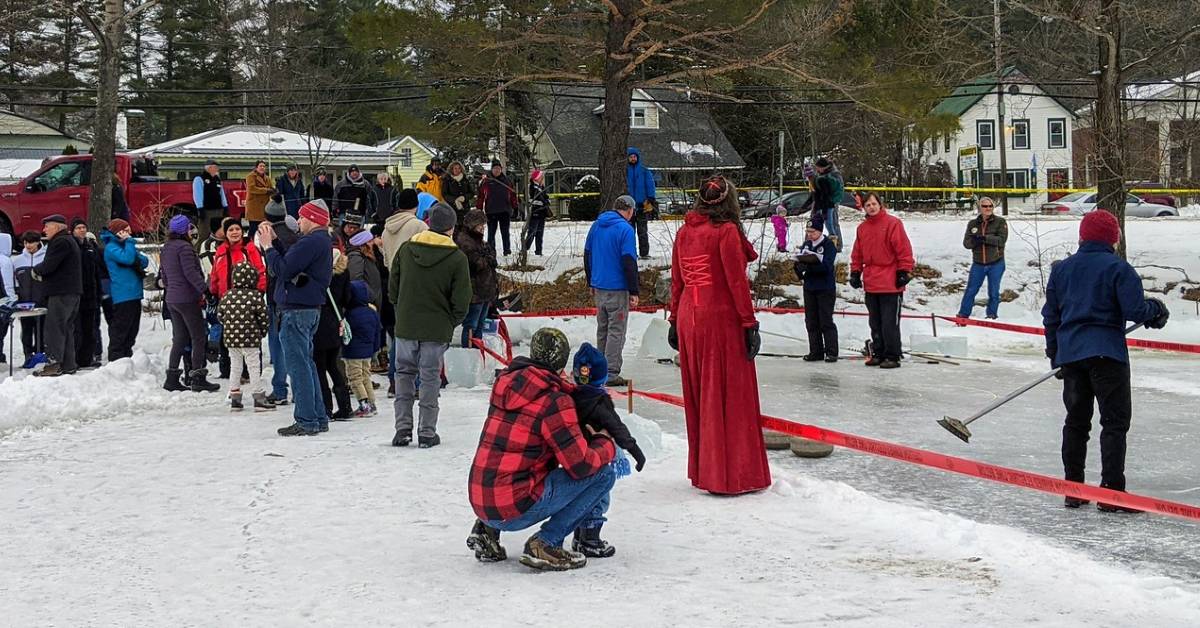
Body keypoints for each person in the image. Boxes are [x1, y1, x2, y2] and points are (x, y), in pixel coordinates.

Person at [1043, 210, 1170, 513]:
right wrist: (1156, 309)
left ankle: (1073, 489)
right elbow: (1135, 310)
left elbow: (1051, 317)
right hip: (1107, 356)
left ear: (1082, 236)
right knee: (1113, 423)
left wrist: (1055, 355)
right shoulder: (1118, 268)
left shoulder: (1062, 270)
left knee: (1076, 422)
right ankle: (1112, 492)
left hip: (1072, 355)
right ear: (1113, 238)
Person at [466, 327, 618, 570]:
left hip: (480, 498)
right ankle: (547, 542)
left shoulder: (506, 384)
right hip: (513, 507)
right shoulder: (554, 400)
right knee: (603, 474)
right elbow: (580, 465)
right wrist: (605, 443)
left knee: (509, 457)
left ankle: (486, 532)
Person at [667, 176, 770, 495]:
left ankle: (705, 470)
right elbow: (736, 284)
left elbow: (677, 279)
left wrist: (673, 319)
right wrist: (749, 323)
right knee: (729, 394)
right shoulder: (725, 233)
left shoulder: (685, 232)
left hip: (689, 316)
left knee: (701, 394)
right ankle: (732, 474)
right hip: (719, 317)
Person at [388, 203, 471, 448]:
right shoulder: (456, 258)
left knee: (403, 375)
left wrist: (402, 310)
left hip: (406, 325)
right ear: (451, 228)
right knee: (430, 379)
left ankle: (402, 429)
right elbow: (462, 300)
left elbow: (393, 288)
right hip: (436, 329)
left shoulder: (406, 250)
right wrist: (450, 322)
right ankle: (426, 431)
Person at [260, 199, 334, 436]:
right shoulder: (319, 241)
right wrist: (276, 244)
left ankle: (306, 419)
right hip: (309, 308)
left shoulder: (311, 241)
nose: (299, 221)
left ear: (313, 219)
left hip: (296, 309)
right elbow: (292, 262)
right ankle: (318, 416)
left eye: (302, 217)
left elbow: (283, 270)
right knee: (307, 363)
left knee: (298, 365)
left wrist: (268, 248)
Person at [567, 342, 647, 556]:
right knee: (600, 497)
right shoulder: (599, 402)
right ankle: (590, 540)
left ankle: (578, 536)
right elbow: (616, 427)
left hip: (575, 458)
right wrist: (635, 450)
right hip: (598, 458)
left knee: (580, 495)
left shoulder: (569, 398)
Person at [848, 192, 913, 369]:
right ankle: (878, 352)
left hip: (890, 281)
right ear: (864, 208)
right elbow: (857, 253)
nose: (871, 207)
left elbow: (903, 249)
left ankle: (892, 355)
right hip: (871, 281)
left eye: (874, 204)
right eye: (868, 205)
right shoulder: (862, 228)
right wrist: (855, 272)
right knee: (875, 321)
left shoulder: (893, 224)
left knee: (889, 322)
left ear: (880, 205)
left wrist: (904, 271)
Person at [160, 215, 221, 393]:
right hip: (187, 298)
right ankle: (198, 377)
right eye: (189, 228)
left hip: (172, 298)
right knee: (198, 337)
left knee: (179, 338)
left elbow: (164, 275)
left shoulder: (167, 247)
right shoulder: (185, 248)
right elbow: (191, 273)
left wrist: (170, 289)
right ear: (185, 230)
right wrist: (206, 291)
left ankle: (171, 377)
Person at [583, 194, 639, 387]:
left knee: (603, 329)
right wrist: (634, 290)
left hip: (599, 287)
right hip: (617, 287)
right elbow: (629, 261)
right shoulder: (625, 230)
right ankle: (611, 372)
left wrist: (591, 281)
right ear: (630, 210)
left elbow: (587, 254)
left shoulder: (597, 225)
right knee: (617, 330)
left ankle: (600, 368)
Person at [217, 262, 272, 412]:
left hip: (231, 338)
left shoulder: (227, 295)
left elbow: (220, 315)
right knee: (253, 366)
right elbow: (263, 317)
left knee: (235, 366)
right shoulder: (255, 296)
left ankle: (235, 397)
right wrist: (262, 331)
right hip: (250, 338)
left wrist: (229, 327)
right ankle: (258, 397)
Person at [31, 215, 81, 377]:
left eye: (47, 226)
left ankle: (53, 364)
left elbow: (50, 265)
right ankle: (68, 364)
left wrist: (36, 271)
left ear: (57, 227)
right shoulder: (69, 240)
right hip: (71, 292)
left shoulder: (60, 242)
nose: (44, 230)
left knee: (54, 328)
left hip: (61, 292)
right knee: (66, 328)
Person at [263, 196, 297, 406]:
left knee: (277, 344)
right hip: (296, 296)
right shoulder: (295, 233)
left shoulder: (270, 237)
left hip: (277, 295)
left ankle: (279, 388)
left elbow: (272, 268)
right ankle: (298, 387)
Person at [100, 218, 149, 362]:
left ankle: (127, 356)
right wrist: (129, 243)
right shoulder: (111, 248)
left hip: (134, 293)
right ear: (118, 232)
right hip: (123, 295)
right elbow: (127, 259)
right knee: (122, 327)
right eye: (126, 231)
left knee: (133, 328)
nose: (130, 233)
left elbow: (144, 261)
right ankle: (116, 357)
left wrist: (130, 247)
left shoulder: (126, 246)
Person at [315, 248, 354, 422]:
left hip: (320, 322)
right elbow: (347, 298)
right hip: (336, 321)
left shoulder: (319, 273)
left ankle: (325, 407)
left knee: (319, 368)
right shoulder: (343, 272)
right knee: (333, 365)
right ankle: (345, 406)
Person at [957, 196, 1009, 320]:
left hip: (996, 262)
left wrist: (984, 238)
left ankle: (991, 315)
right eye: (985, 206)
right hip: (978, 263)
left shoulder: (1000, 222)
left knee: (993, 291)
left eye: (990, 206)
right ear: (980, 208)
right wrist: (976, 241)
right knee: (971, 290)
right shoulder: (973, 224)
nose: (988, 208)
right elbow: (967, 243)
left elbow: (1001, 240)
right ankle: (963, 315)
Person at [794, 219, 839, 362]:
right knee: (811, 321)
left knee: (825, 320)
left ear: (820, 231)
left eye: (812, 232)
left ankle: (831, 351)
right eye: (808, 232)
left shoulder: (828, 245)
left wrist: (810, 267)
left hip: (825, 287)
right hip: (810, 287)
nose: (810, 235)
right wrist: (799, 269)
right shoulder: (807, 245)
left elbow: (826, 265)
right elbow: (801, 261)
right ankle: (816, 351)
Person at [455, 210, 498, 348]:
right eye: (480, 225)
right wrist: (487, 259)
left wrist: (489, 256)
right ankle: (468, 352)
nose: (483, 228)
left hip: (485, 291)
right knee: (471, 325)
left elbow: (489, 254)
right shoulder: (465, 241)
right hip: (475, 292)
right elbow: (474, 263)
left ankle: (477, 351)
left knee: (480, 324)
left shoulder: (478, 240)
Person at [342, 279, 383, 418]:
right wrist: (375, 349)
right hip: (367, 351)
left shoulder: (349, 314)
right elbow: (378, 332)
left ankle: (363, 403)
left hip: (353, 351)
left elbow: (346, 332)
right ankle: (372, 403)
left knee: (355, 378)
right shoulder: (372, 313)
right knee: (366, 376)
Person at [70, 219, 103, 369]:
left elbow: (97, 271)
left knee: (90, 328)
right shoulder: (72, 247)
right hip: (77, 293)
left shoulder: (90, 247)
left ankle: (87, 358)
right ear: (73, 230)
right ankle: (75, 358)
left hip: (92, 293)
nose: (82, 230)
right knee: (78, 329)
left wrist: (99, 292)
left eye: (84, 227)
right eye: (78, 228)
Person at [12, 231, 46, 368]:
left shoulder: (46, 257)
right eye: (25, 243)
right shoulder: (18, 260)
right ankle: (27, 355)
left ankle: (40, 354)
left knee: (41, 330)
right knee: (26, 331)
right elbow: (15, 282)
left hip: (42, 302)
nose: (28, 245)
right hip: (24, 303)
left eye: (31, 242)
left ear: (38, 242)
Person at [800, 157, 845, 250]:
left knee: (832, 223)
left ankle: (837, 245)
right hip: (820, 201)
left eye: (818, 168)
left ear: (823, 167)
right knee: (813, 221)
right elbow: (816, 190)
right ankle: (808, 243)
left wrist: (830, 203)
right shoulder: (820, 174)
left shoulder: (833, 174)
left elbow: (832, 190)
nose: (817, 170)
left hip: (831, 201)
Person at [476, 160, 518, 256]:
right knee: (491, 233)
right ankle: (491, 251)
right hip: (491, 211)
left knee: (505, 232)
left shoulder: (507, 181)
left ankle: (507, 250)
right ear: (492, 169)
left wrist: (515, 207)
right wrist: (479, 209)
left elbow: (512, 195)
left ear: (501, 169)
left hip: (504, 210)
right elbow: (481, 196)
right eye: (495, 168)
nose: (497, 170)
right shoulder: (486, 182)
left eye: (498, 169)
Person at [381, 189, 427, 268]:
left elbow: (386, 261)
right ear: (417, 205)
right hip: (413, 277)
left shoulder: (386, 230)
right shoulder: (420, 226)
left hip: (393, 277)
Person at [625, 147, 656, 259]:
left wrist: (651, 198)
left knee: (642, 231)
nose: (633, 159)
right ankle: (631, 253)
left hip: (642, 205)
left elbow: (650, 185)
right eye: (631, 157)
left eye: (634, 157)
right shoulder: (624, 172)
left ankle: (644, 253)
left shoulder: (644, 171)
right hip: (628, 207)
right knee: (629, 232)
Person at [192, 159, 229, 242]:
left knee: (219, 232)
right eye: (215, 167)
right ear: (209, 168)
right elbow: (197, 194)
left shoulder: (217, 179)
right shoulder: (199, 179)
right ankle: (198, 251)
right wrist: (200, 208)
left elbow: (221, 193)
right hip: (206, 210)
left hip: (218, 209)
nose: (217, 169)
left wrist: (225, 206)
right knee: (204, 233)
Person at [346, 230, 383, 311]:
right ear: (363, 244)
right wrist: (371, 297)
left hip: (370, 302)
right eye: (370, 241)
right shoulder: (356, 257)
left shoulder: (367, 257)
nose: (373, 243)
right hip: (366, 304)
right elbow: (355, 280)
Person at [523, 168, 550, 256]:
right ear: (536, 178)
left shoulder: (542, 188)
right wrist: (542, 203)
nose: (542, 178)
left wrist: (546, 202)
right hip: (534, 213)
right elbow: (529, 201)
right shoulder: (530, 187)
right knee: (532, 232)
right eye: (541, 177)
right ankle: (525, 249)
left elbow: (546, 198)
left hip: (542, 214)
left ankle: (539, 251)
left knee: (540, 233)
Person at [243, 160, 273, 234]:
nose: (262, 168)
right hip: (254, 207)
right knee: (253, 228)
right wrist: (266, 190)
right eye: (260, 166)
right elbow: (252, 189)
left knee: (263, 229)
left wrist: (274, 191)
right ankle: (251, 243)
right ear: (256, 167)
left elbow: (270, 188)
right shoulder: (250, 176)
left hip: (264, 207)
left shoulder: (267, 178)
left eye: (264, 166)